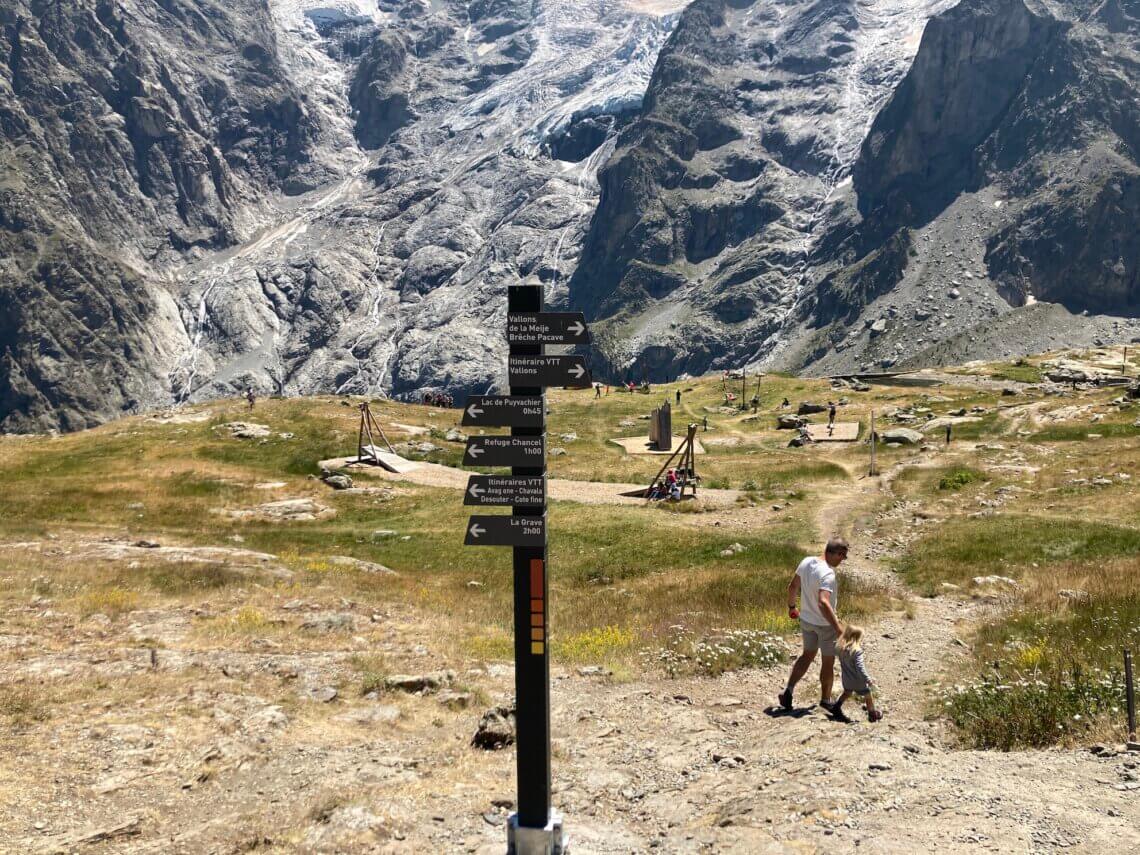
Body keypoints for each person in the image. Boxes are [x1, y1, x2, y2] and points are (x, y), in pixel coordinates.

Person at [778, 538, 848, 710]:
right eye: (843, 556)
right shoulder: (828, 574)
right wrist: (838, 628)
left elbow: (792, 587)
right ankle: (825, 701)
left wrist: (792, 607)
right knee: (827, 662)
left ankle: (789, 690)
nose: (843, 560)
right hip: (825, 626)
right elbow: (823, 602)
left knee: (807, 655)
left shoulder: (807, 561)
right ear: (837, 553)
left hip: (806, 620)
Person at [825, 624, 883, 722]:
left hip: (846, 679)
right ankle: (872, 714)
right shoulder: (856, 651)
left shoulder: (840, 649)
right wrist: (868, 679)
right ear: (857, 638)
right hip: (858, 681)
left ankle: (836, 707)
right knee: (868, 695)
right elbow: (860, 668)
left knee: (847, 692)